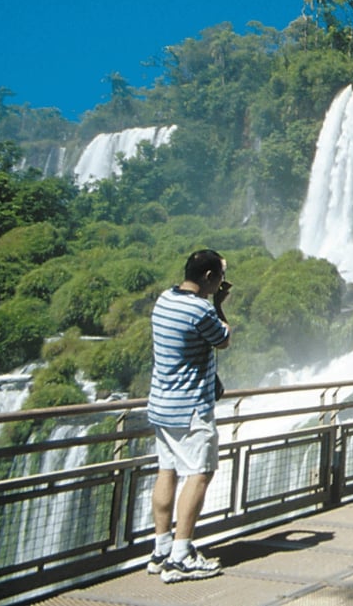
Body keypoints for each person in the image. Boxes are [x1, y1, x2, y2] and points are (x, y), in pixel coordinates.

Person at [146, 249, 232, 583]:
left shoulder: (164, 300)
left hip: (162, 406)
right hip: (191, 409)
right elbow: (223, 339)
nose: (223, 282)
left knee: (166, 471)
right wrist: (219, 304)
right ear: (209, 278)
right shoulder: (199, 309)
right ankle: (181, 556)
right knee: (200, 473)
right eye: (220, 276)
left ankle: (161, 548)